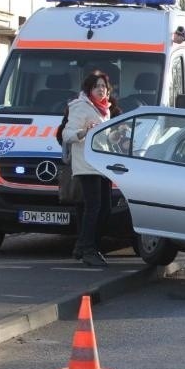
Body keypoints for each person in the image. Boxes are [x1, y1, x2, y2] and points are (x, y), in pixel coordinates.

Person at [62, 71, 115, 267]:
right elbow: (67, 134)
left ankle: (82, 246)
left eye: (104, 86)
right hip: (86, 165)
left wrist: (116, 137)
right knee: (93, 208)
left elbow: (103, 138)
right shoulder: (81, 107)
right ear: (89, 90)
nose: (101, 90)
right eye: (97, 86)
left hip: (101, 166)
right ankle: (88, 248)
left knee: (105, 209)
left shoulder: (104, 110)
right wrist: (84, 132)